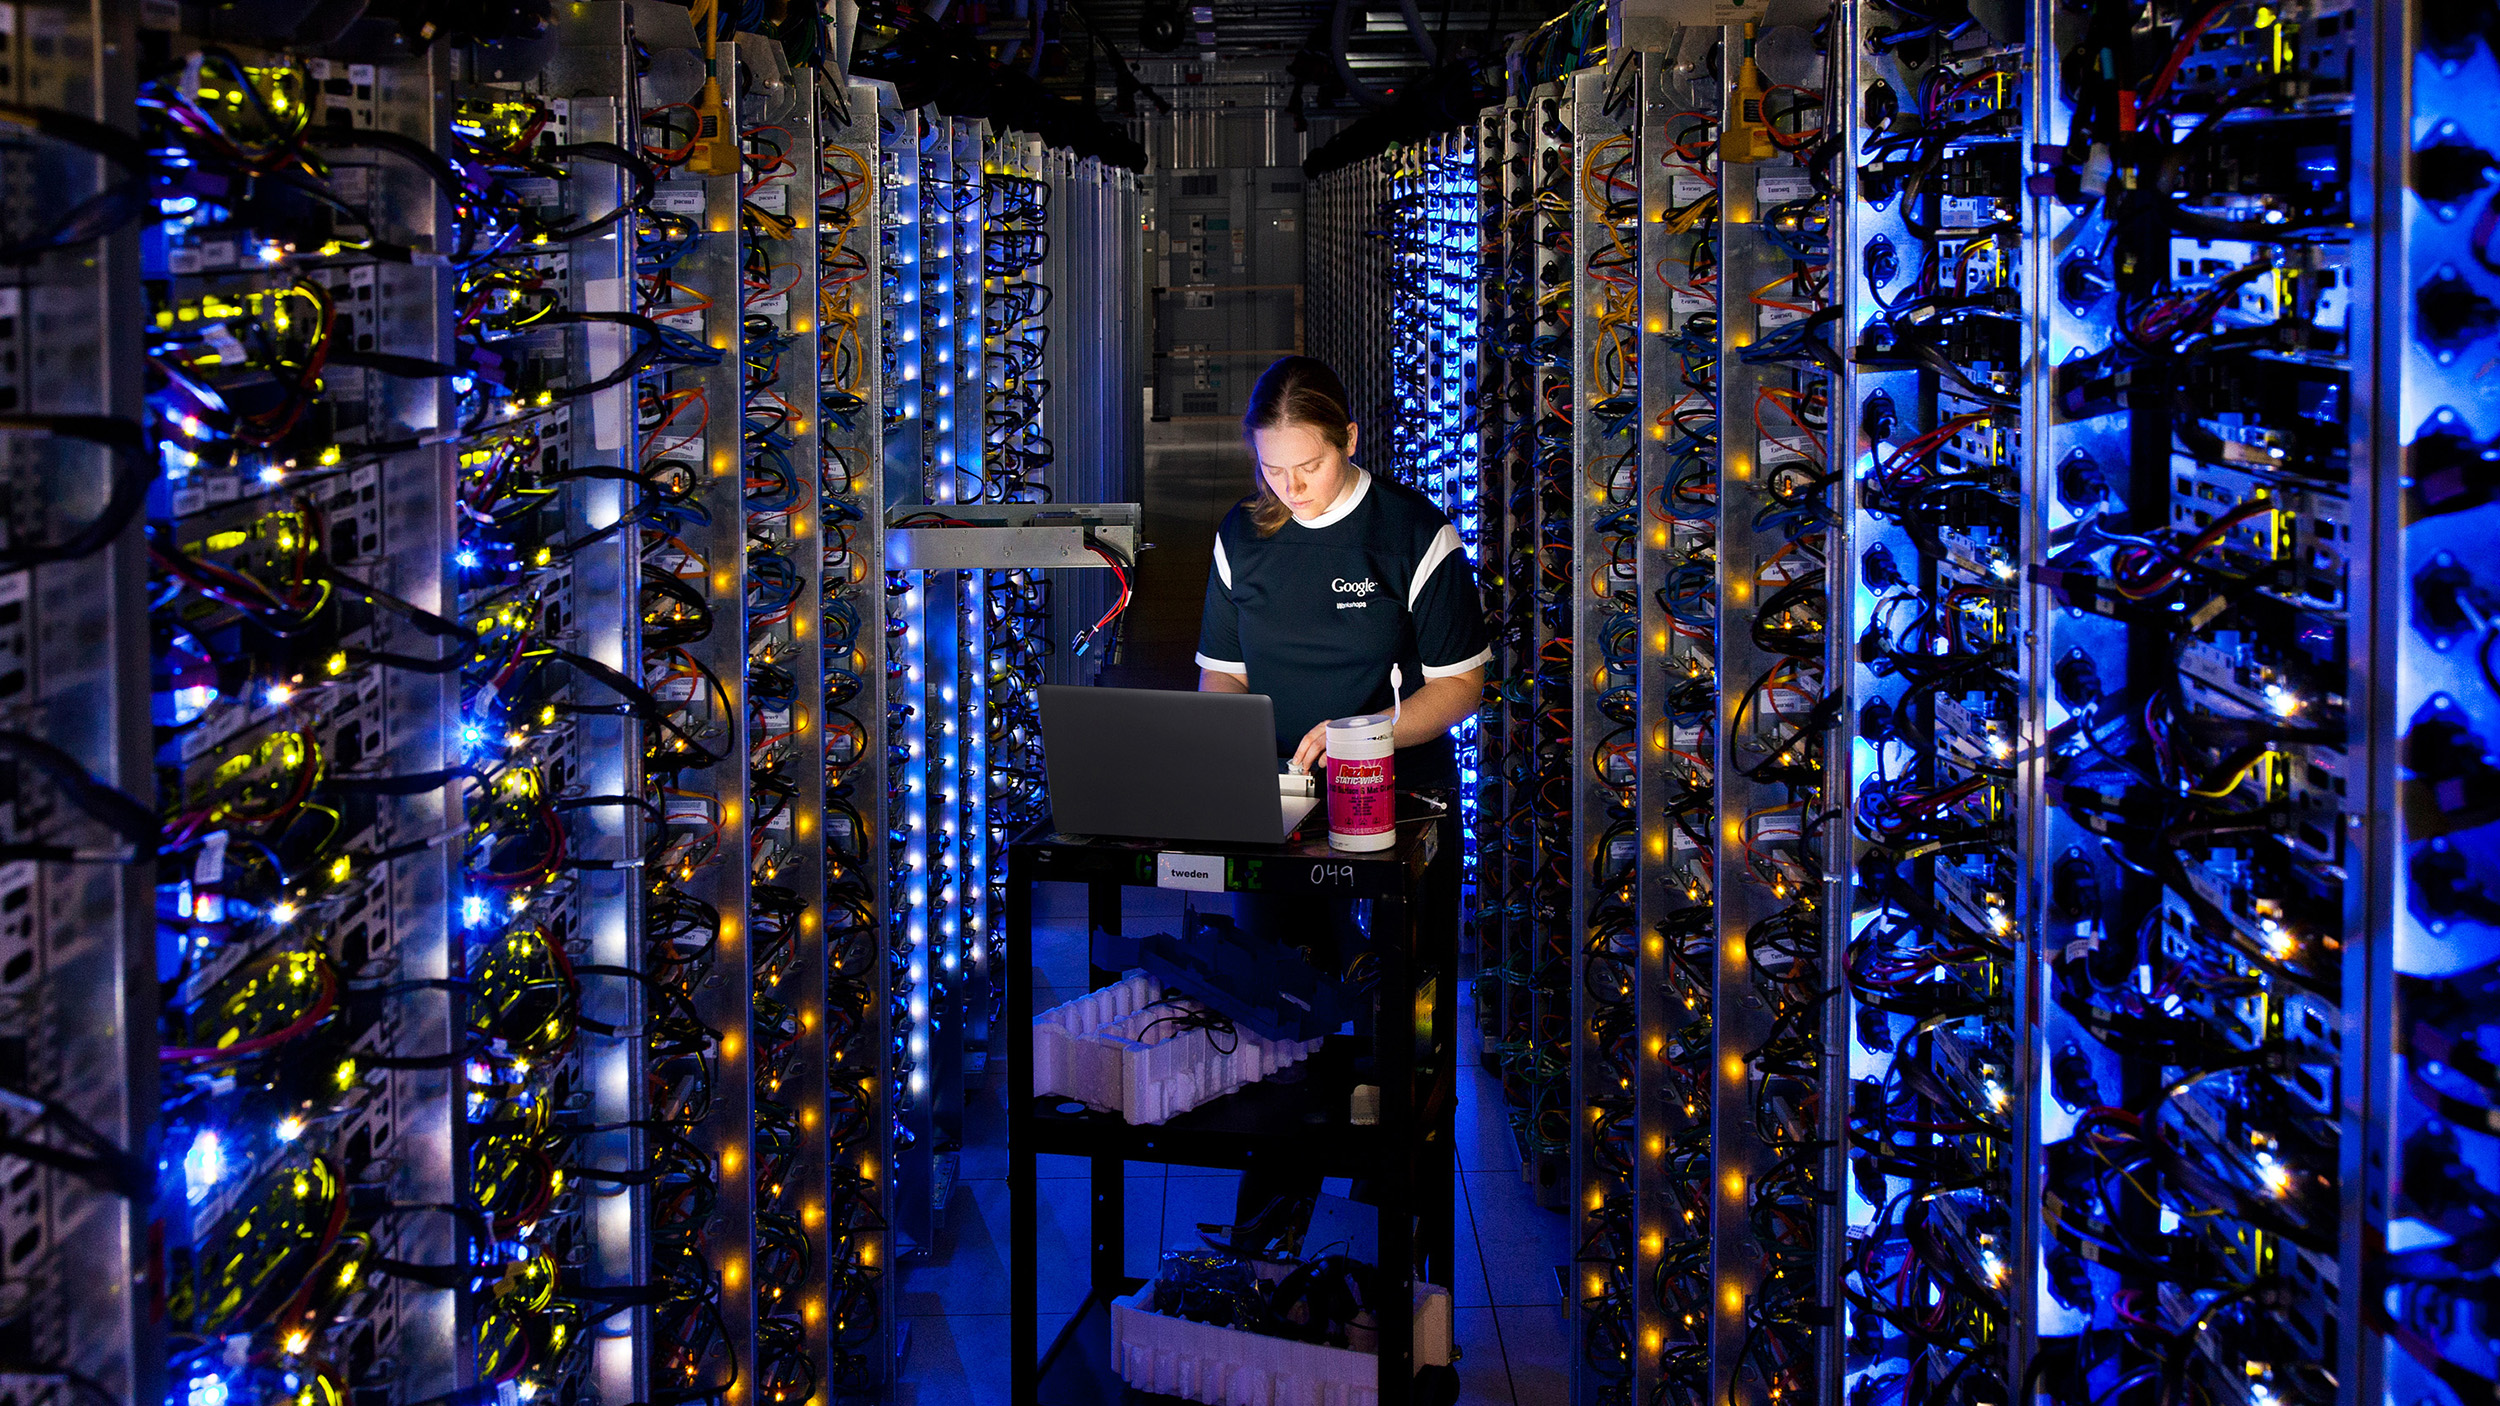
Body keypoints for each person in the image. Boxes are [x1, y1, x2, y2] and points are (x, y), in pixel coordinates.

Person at [1194, 354, 1488, 1266]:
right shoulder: (1243, 536)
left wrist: (1368, 731)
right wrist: (1219, 755)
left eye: (1309, 467)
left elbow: (1462, 686)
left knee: (1404, 1017)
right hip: (1281, 802)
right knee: (1279, 1006)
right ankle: (1269, 1242)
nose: (1290, 488)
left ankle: (1397, 1237)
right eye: (1271, 469)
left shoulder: (1411, 533)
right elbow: (1222, 673)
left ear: (1350, 440)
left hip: (1402, 802)